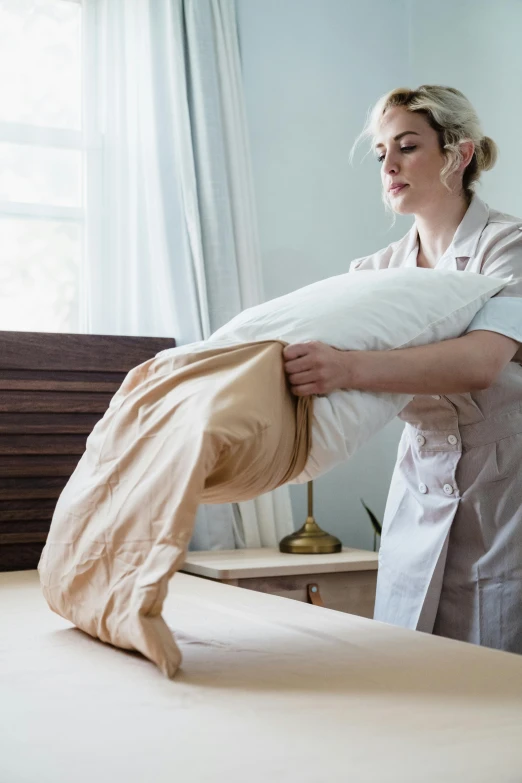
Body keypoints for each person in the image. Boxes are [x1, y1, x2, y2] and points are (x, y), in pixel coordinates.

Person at [283, 85, 522, 654]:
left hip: (506, 483)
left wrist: (344, 368)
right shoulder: (372, 273)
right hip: (418, 481)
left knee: (496, 670)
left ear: (459, 154)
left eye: (408, 146)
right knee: (406, 655)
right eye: (381, 153)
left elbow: (481, 361)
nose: (388, 164)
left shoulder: (508, 245)